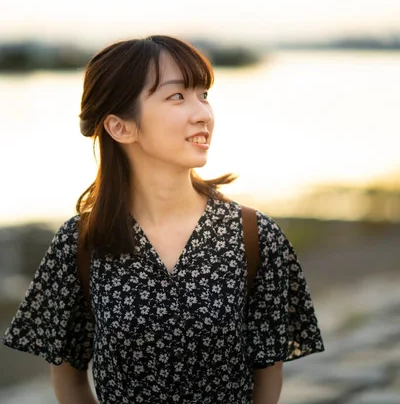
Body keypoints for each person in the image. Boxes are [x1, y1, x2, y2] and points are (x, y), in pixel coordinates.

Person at [2, 35, 325, 404]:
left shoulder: (253, 235)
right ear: (121, 127)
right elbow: (68, 375)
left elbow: (268, 373)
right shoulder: (81, 242)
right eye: (177, 96)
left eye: (204, 95)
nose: (203, 113)